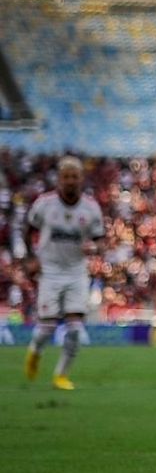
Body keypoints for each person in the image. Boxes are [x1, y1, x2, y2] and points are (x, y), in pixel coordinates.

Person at [14, 156, 104, 390]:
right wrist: (30, 259)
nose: (71, 181)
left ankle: (61, 376)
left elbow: (101, 242)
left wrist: (93, 248)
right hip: (50, 271)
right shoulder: (45, 204)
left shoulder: (91, 208)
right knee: (47, 327)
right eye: (66, 176)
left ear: (81, 179)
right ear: (59, 179)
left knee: (75, 328)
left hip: (76, 272)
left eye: (75, 176)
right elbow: (27, 230)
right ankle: (34, 352)